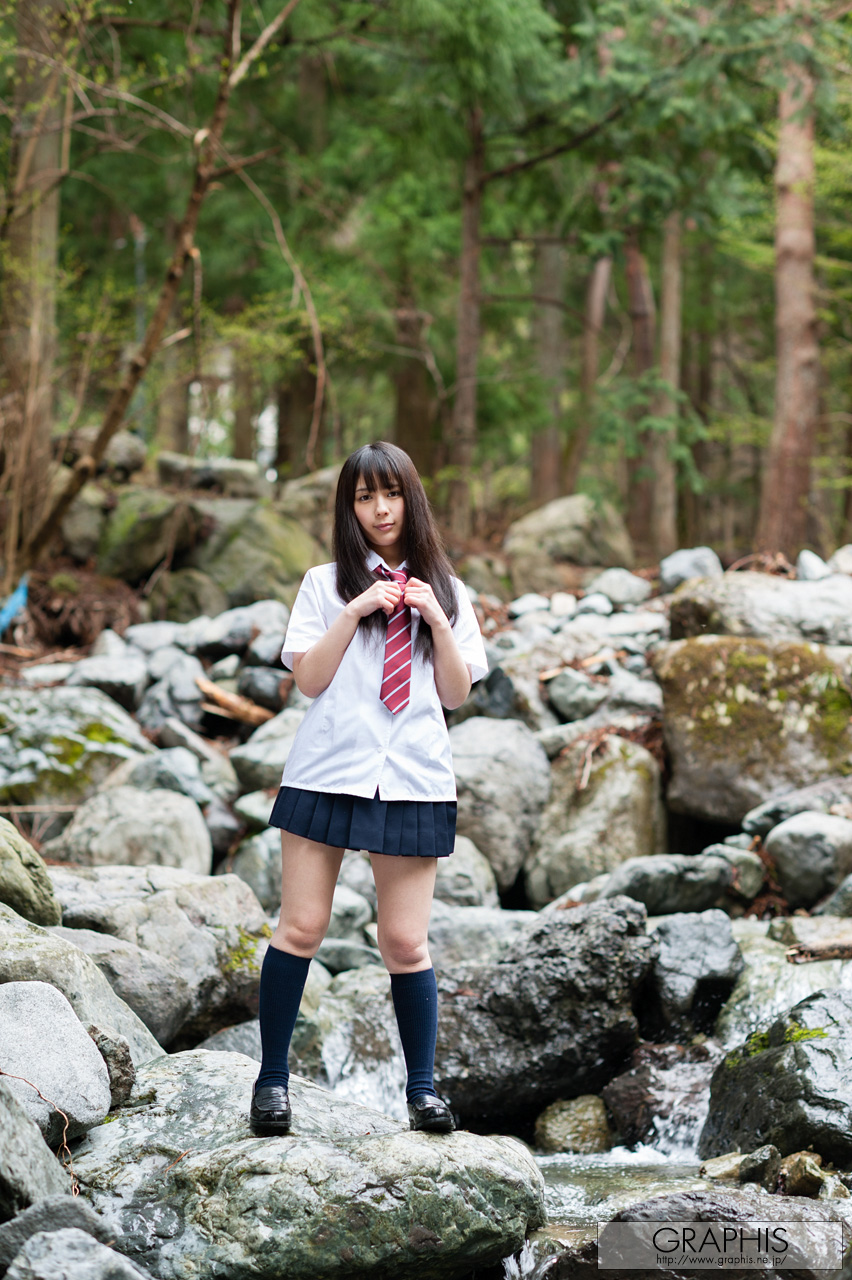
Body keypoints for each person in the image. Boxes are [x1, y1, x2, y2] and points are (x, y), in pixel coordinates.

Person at [250, 440, 488, 1138]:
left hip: (412, 776)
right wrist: (354, 612)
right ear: (349, 507)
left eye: (391, 493)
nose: (380, 509)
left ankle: (423, 1092)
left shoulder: (449, 590)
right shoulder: (324, 584)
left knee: (405, 942)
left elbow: (455, 692)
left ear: (411, 500)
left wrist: (435, 619)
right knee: (301, 927)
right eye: (364, 496)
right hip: (328, 770)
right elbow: (309, 679)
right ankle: (271, 1083)